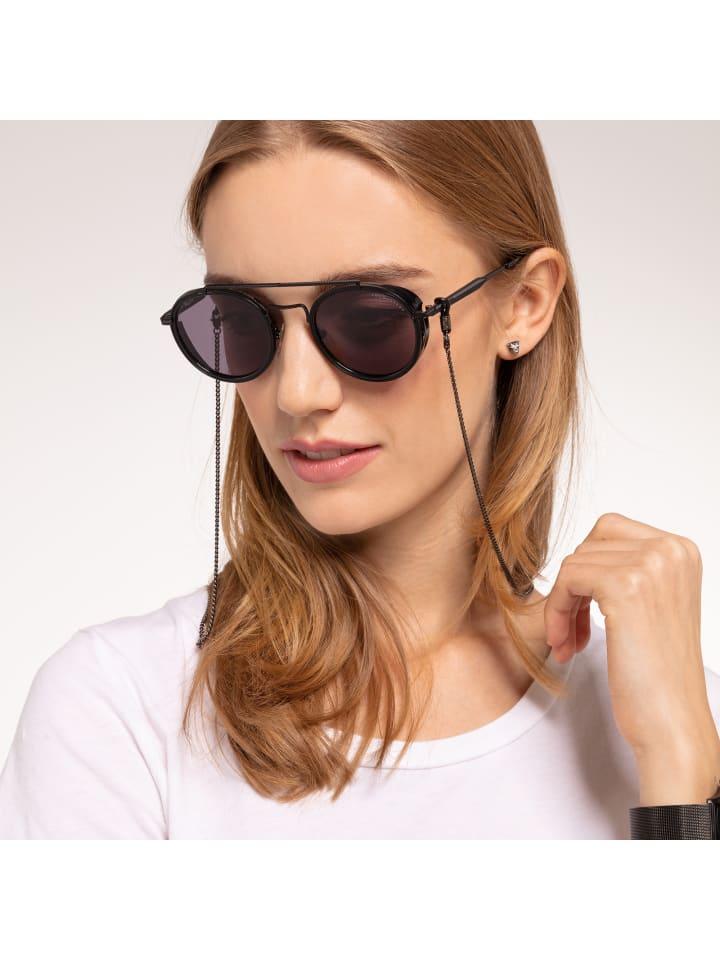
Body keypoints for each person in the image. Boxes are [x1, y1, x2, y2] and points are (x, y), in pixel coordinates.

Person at [1, 120, 719, 839]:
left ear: (525, 303)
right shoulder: (119, 712)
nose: (297, 393)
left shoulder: (673, 714)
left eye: (372, 319)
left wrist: (683, 780)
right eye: (241, 322)